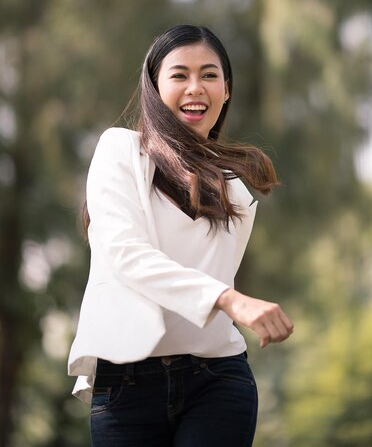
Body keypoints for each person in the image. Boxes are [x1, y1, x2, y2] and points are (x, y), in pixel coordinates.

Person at [68, 24, 294, 447]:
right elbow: (126, 255)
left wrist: (227, 300)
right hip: (126, 383)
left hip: (217, 379)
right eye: (179, 75)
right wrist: (229, 299)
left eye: (209, 75)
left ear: (226, 90)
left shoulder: (236, 194)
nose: (195, 87)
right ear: (155, 86)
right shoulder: (119, 151)